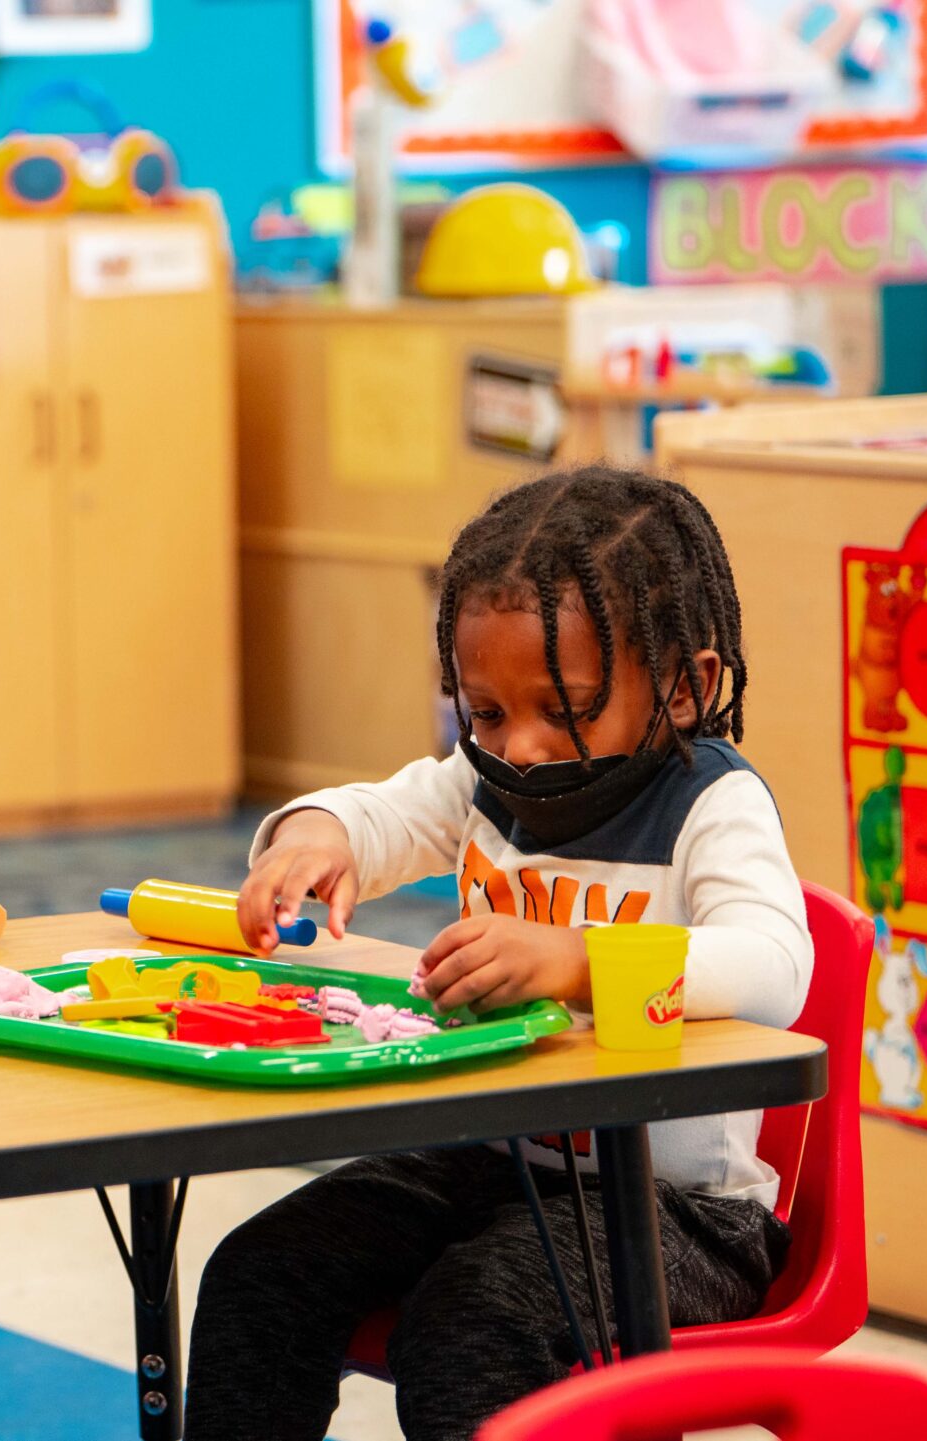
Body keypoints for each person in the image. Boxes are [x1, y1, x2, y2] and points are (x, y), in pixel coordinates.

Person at [183, 466, 810, 1441]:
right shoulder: (489, 783)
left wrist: (580, 956)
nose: (516, 745)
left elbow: (774, 966)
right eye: (483, 713)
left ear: (684, 689)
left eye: (567, 708)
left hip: (678, 1212)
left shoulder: (709, 802)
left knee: (473, 1322)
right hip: (487, 1168)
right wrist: (313, 834)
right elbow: (383, 812)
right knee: (262, 1272)